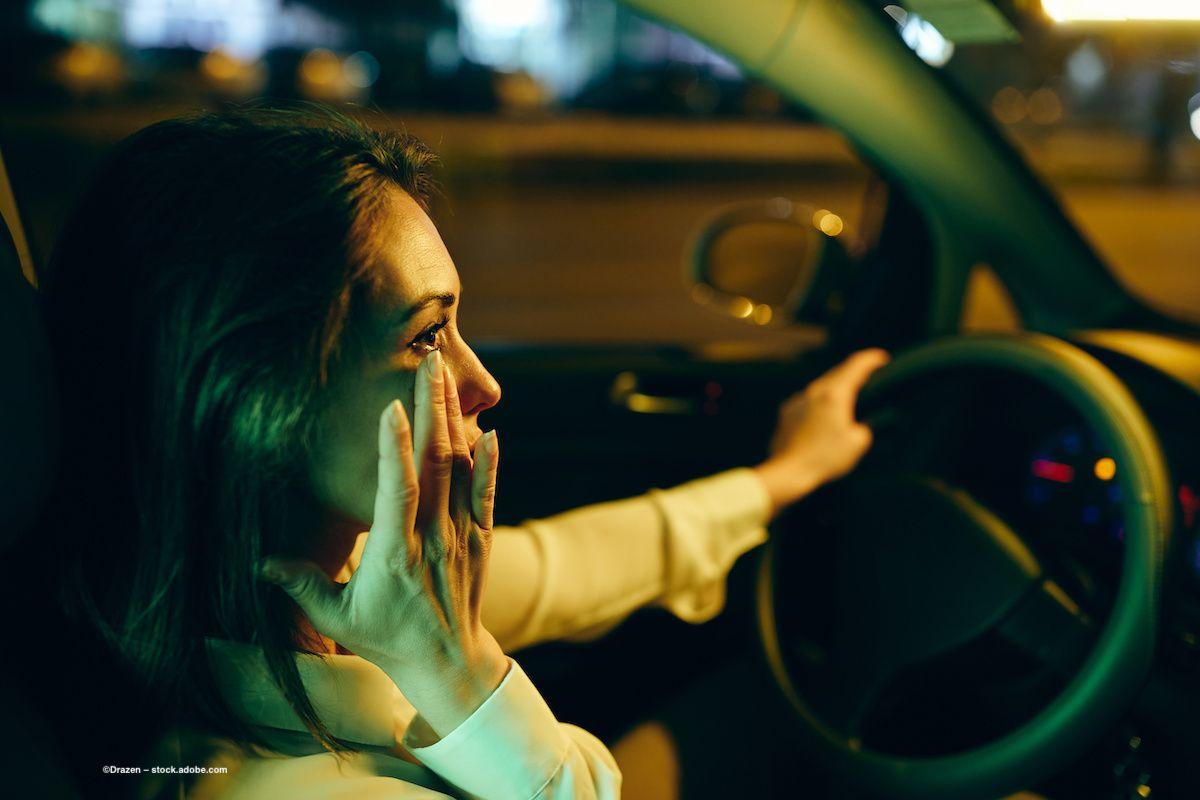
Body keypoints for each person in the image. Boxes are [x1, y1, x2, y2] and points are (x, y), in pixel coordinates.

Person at [31, 106, 888, 799]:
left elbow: (565, 565)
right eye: (427, 335)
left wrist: (783, 479)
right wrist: (461, 670)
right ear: (255, 399)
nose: (481, 382)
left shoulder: (319, 586)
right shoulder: (278, 786)